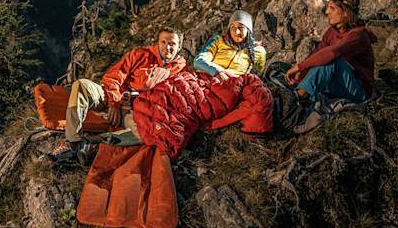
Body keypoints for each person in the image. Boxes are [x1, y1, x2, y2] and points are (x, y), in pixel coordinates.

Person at [47, 27, 186, 164]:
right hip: (112, 97)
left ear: (179, 46)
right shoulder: (140, 55)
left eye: (172, 43)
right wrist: (114, 103)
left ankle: (92, 142)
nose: (167, 47)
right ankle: (73, 141)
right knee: (81, 85)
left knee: (146, 134)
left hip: (135, 112)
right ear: (158, 42)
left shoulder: (179, 70)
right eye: (163, 42)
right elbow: (113, 77)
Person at [285, 0, 376, 131]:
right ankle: (296, 98)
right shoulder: (332, 32)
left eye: (332, 8)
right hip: (340, 85)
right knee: (323, 61)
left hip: (359, 92)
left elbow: (332, 53)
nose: (327, 12)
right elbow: (317, 53)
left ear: (346, 12)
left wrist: (298, 67)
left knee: (332, 61)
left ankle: (294, 101)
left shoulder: (358, 36)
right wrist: (302, 73)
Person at [192, 9, 267, 79]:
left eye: (241, 28)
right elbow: (199, 61)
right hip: (209, 79)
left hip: (233, 86)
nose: (236, 32)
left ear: (248, 31)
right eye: (233, 28)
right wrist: (218, 71)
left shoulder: (258, 51)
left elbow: (256, 77)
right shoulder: (218, 41)